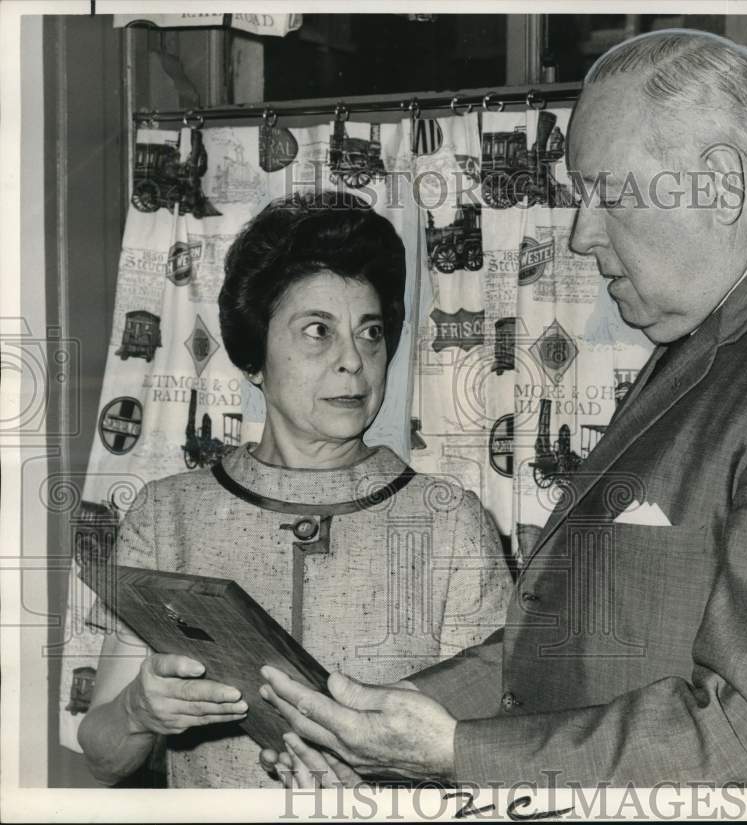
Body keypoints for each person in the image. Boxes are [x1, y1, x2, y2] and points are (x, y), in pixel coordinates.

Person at [259, 30, 747, 788]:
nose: (582, 233)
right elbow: (578, 632)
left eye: (605, 191)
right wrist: (390, 717)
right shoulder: (729, 334)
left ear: (720, 184)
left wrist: (458, 752)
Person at [76, 191, 512, 788]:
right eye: (317, 331)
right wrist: (138, 711)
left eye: (370, 333)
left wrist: (381, 774)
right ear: (254, 355)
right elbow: (103, 754)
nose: (353, 362)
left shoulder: (449, 520)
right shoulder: (166, 513)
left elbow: (494, 746)